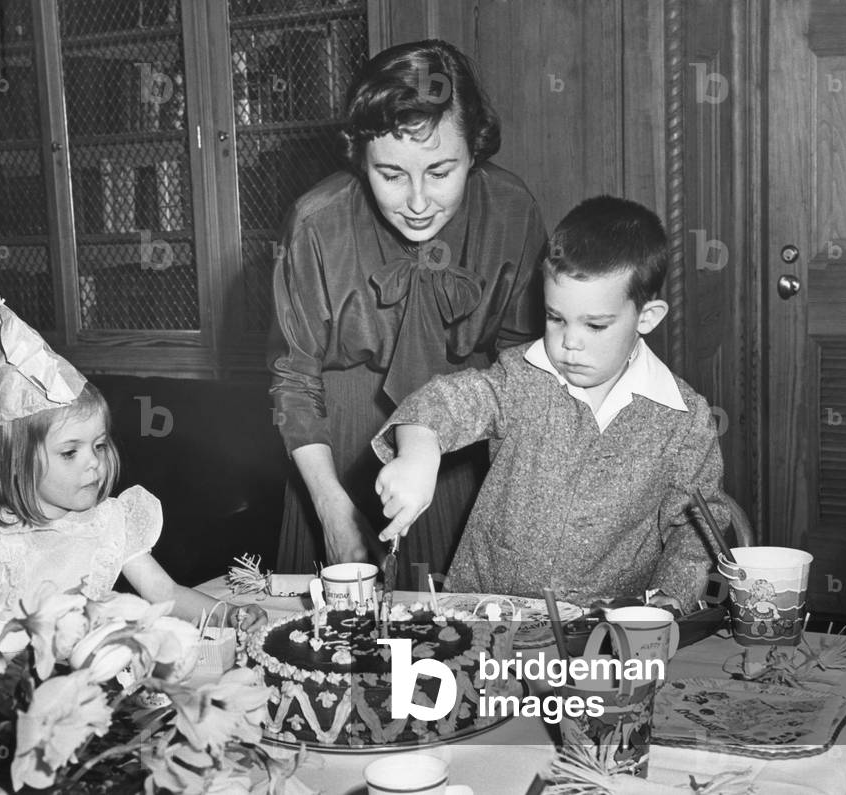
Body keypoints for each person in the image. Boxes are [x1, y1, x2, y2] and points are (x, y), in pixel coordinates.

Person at [269, 40, 547, 587]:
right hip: (336, 450)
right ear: (359, 157)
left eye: (441, 171)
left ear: (476, 150)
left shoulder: (514, 211)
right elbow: (294, 383)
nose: (417, 202)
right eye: (391, 175)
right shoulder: (314, 224)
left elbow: (523, 370)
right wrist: (332, 511)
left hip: (462, 450)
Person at [371, 196, 730, 610]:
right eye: (555, 317)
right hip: (487, 610)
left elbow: (696, 527)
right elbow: (444, 403)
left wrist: (668, 600)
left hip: (604, 631)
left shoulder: (685, 421)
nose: (569, 342)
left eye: (594, 325)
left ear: (646, 317)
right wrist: (418, 454)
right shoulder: (520, 379)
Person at [0, 294, 264, 647]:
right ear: (16, 462)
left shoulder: (108, 521)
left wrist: (232, 615)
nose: (93, 462)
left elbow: (165, 592)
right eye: (70, 452)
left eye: (99, 445)